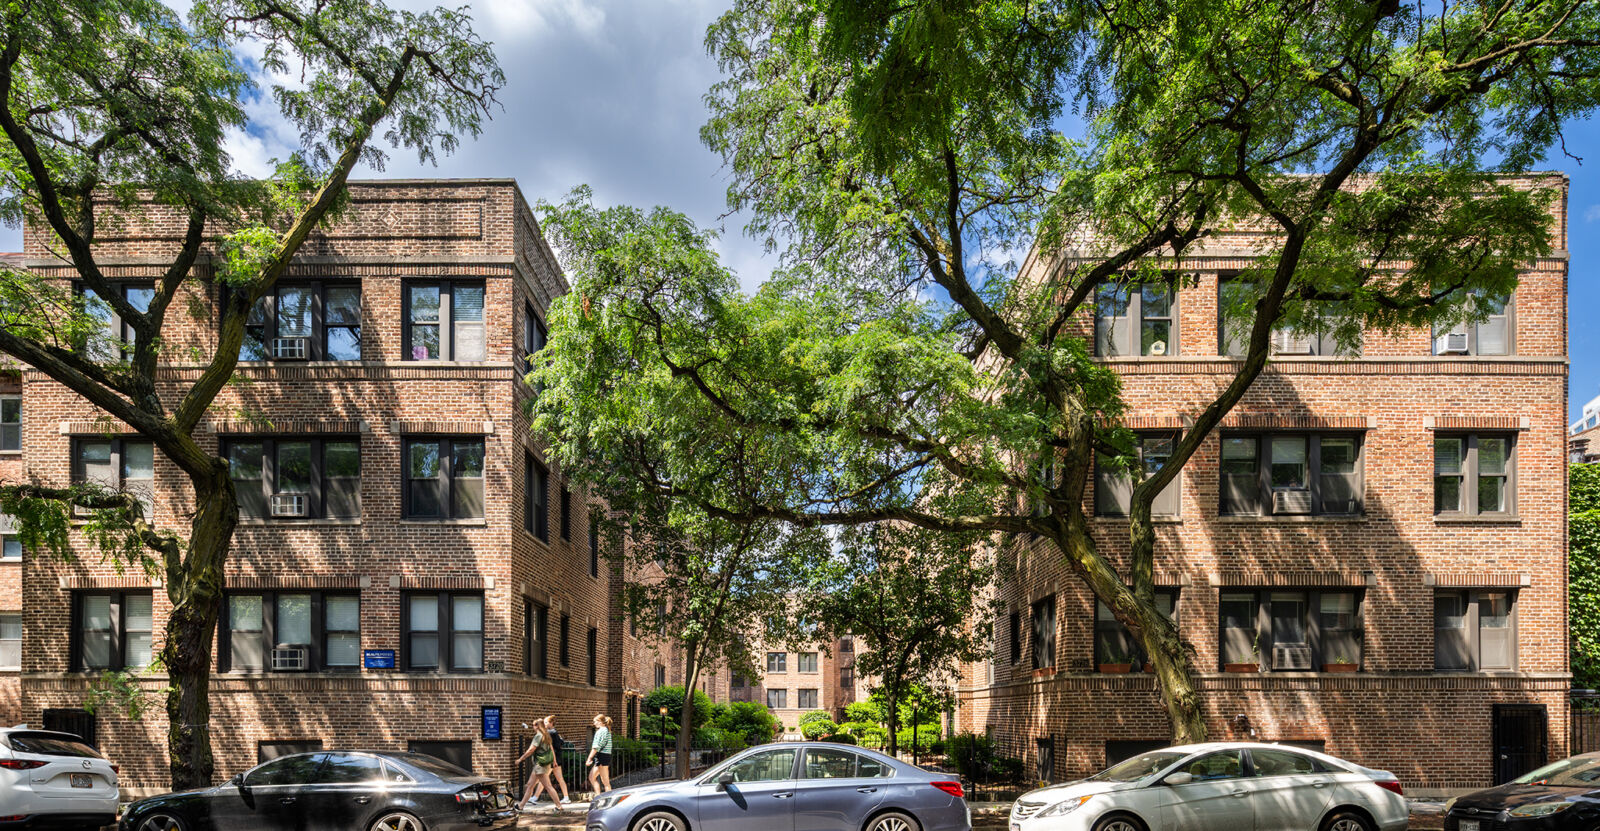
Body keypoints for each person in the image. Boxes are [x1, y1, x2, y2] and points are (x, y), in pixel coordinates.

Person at [514, 720, 564, 813]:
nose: (532, 727)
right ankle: (521, 806)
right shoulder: (546, 735)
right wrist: (554, 761)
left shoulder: (538, 736)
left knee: (548, 786)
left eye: (533, 725)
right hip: (542, 764)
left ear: (537, 726)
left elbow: (531, 750)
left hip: (541, 765)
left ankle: (559, 806)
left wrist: (520, 759)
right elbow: (551, 749)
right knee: (530, 785)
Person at [526, 715, 572, 805]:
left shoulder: (549, 733)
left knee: (544, 779)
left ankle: (535, 797)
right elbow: (561, 742)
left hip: (551, 758)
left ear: (551, 723)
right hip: (557, 758)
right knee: (558, 779)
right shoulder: (555, 732)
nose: (544, 724)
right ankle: (566, 797)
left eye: (546, 722)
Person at [585, 714, 614, 795]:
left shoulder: (601, 731)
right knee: (592, 777)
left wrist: (589, 758)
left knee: (605, 781)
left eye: (595, 721)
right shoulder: (605, 730)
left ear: (600, 722)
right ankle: (599, 797)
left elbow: (596, 747)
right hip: (603, 756)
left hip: (602, 756)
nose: (594, 723)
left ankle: (607, 799)